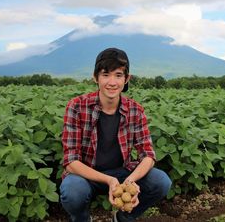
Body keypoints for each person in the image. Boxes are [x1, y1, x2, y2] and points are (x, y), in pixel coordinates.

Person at [60, 47, 171, 222]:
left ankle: (124, 217)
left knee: (161, 181)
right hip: (87, 175)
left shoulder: (135, 110)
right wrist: (109, 180)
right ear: (95, 77)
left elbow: (148, 155)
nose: (112, 82)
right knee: (73, 191)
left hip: (123, 173)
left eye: (118, 75)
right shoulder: (76, 106)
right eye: (105, 74)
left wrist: (130, 181)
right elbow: (70, 162)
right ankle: (82, 218)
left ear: (127, 79)